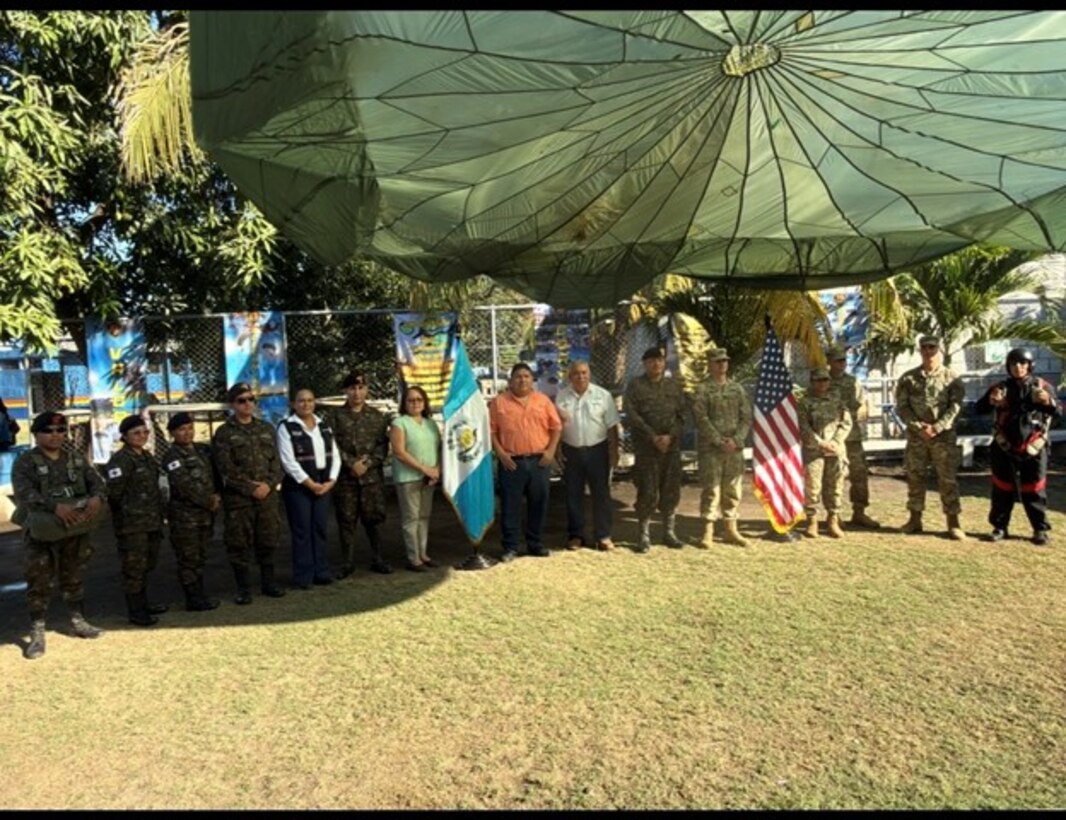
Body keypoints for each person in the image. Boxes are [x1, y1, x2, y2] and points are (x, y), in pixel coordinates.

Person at [11, 411, 106, 660]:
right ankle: (37, 632)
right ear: (36, 434)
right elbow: (24, 493)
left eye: (61, 430)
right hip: (42, 531)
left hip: (74, 528)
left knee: (73, 574)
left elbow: (96, 481)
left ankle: (78, 621)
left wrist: (97, 497)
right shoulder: (26, 462)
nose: (56, 435)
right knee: (39, 580)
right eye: (49, 431)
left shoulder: (75, 459)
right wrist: (54, 507)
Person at [973, 347, 1060, 546]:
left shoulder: (1043, 386)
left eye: (1022, 363)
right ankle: (1000, 527)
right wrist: (992, 400)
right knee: (1002, 488)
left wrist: (1048, 402)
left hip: (1034, 447)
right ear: (1008, 366)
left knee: (1035, 489)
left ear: (1030, 365)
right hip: (1004, 446)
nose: (1018, 367)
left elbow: (1059, 413)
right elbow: (979, 408)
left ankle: (1039, 529)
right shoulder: (999, 387)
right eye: (1013, 364)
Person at [212, 382, 287, 604]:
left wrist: (268, 485)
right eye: (241, 401)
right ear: (232, 405)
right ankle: (243, 589)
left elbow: (277, 463)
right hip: (240, 500)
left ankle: (268, 583)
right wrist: (250, 488)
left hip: (267, 497)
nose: (247, 404)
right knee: (239, 544)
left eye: (250, 400)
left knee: (268, 540)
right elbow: (225, 468)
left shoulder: (266, 429)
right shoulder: (224, 433)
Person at [894, 335, 967, 540]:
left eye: (932, 347)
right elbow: (902, 406)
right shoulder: (908, 378)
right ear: (920, 350)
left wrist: (937, 428)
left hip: (943, 438)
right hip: (917, 438)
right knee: (915, 477)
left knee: (947, 479)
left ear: (939, 350)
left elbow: (956, 407)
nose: (928, 351)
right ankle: (915, 519)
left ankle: (953, 522)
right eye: (924, 348)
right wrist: (918, 427)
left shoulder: (951, 378)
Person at [490, 362, 563, 561]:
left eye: (526, 376)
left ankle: (535, 544)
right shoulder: (499, 403)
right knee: (510, 506)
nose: (522, 380)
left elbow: (556, 427)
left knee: (538, 504)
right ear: (511, 380)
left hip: (540, 462)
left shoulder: (543, 401)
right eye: (518, 376)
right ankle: (511, 547)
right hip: (511, 463)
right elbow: (491, 431)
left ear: (532, 380)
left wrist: (550, 451)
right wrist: (500, 453)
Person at [623, 346, 688, 552]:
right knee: (648, 491)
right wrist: (652, 436)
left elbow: (682, 415)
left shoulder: (674, 386)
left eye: (659, 360)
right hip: (647, 449)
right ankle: (643, 535)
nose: (656, 364)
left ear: (664, 362)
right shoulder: (636, 386)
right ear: (644, 363)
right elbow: (631, 414)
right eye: (651, 360)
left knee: (671, 491)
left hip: (671, 448)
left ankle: (669, 532)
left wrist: (670, 436)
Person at [105, 414, 169, 626]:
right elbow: (114, 493)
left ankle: (143, 604)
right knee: (134, 569)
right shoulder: (121, 460)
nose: (142, 436)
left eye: (145, 432)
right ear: (124, 436)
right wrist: (128, 513)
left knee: (147, 565)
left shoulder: (146, 456)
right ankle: (136, 611)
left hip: (151, 521)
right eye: (136, 433)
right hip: (132, 525)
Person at [328, 371, 393, 576]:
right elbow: (331, 445)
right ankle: (347, 563)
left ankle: (378, 558)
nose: (357, 393)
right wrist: (350, 464)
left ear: (366, 390)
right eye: (352, 388)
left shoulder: (377, 417)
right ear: (345, 391)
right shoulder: (334, 417)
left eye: (361, 388)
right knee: (346, 521)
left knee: (375, 520)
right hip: (346, 479)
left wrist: (368, 463)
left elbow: (383, 446)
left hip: (371, 479)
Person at [277, 388, 340, 589]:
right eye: (301, 401)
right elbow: (288, 461)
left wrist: (331, 480)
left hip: (324, 483)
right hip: (299, 486)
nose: (306, 404)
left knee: (320, 528)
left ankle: (321, 572)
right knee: (302, 530)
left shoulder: (324, 426)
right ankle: (303, 576)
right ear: (293, 404)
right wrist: (310, 484)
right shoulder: (286, 427)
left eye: (310, 400)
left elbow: (335, 455)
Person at [555, 360, 620, 552]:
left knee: (601, 494)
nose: (580, 376)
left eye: (584, 373)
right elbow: (556, 425)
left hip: (597, 451)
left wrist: (614, 451)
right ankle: (576, 535)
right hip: (571, 451)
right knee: (573, 494)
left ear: (589, 374)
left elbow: (612, 426)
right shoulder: (561, 396)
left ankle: (603, 536)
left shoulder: (603, 395)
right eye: (576, 373)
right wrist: (557, 448)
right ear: (570, 376)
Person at [161, 411, 222, 611]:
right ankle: (193, 598)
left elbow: (214, 475)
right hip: (185, 516)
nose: (187, 433)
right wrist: (208, 501)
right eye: (181, 429)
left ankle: (200, 594)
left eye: (190, 428)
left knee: (201, 554)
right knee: (188, 557)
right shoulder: (172, 456)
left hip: (205, 515)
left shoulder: (202, 450)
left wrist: (217, 495)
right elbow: (183, 485)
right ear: (172, 433)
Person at [691, 347, 752, 548]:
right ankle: (707, 530)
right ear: (710, 364)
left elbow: (746, 417)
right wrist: (719, 441)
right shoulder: (702, 390)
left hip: (734, 448)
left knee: (733, 489)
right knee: (711, 488)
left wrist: (736, 440)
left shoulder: (737, 389)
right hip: (711, 449)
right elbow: (701, 418)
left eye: (724, 361)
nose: (722, 365)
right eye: (718, 361)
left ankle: (730, 529)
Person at [826, 343, 880, 528]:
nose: (842, 364)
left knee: (859, 474)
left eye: (844, 360)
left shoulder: (852, 382)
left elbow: (861, 405)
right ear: (829, 361)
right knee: (834, 477)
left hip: (853, 437)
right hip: (832, 437)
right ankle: (834, 515)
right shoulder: (822, 382)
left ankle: (859, 512)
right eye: (838, 360)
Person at [389, 385, 442, 571]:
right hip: (408, 477)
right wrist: (424, 469)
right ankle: (413, 558)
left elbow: (438, 449)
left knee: (424, 516)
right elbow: (399, 452)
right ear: (404, 403)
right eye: (411, 400)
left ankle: (423, 554)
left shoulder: (431, 424)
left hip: (429, 478)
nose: (415, 403)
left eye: (419, 399)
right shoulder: (399, 423)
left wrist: (436, 470)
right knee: (411, 518)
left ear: (425, 402)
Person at [798, 367, 852, 538]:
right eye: (819, 380)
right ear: (812, 382)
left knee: (835, 486)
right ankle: (812, 521)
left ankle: (833, 520)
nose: (823, 383)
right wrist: (820, 443)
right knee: (812, 487)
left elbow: (846, 423)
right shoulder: (805, 402)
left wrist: (835, 442)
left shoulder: (837, 400)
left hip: (836, 450)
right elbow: (803, 426)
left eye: (826, 380)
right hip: (814, 451)